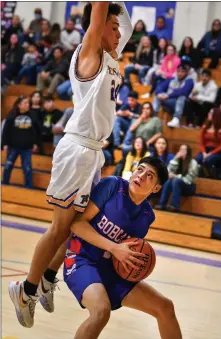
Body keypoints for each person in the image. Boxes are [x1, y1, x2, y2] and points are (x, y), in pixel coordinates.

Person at [9, 2, 133, 328]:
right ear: (97, 26)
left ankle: (49, 277)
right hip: (77, 148)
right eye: (113, 26)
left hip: (93, 152)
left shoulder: (111, 55)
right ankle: (25, 290)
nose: (120, 32)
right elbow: (101, 11)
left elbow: (122, 23)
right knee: (59, 228)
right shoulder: (90, 50)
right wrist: (101, 11)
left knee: (78, 225)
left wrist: (119, 19)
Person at [63, 157, 183, 339]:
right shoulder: (112, 185)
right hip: (81, 259)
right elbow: (77, 225)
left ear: (156, 188)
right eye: (140, 169)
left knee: (165, 307)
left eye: (149, 175)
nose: (141, 176)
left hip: (110, 270)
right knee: (101, 311)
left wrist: (134, 265)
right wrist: (114, 248)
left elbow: (127, 252)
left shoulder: (147, 216)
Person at [2, 96, 41, 188]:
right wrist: (4, 144)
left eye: (28, 103)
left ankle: (28, 186)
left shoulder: (32, 115)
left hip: (27, 148)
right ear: (19, 105)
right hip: (12, 146)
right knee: (8, 166)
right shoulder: (11, 115)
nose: (27, 105)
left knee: (27, 168)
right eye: (25, 103)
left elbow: (37, 131)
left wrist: (36, 143)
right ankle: (4, 183)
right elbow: (5, 131)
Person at [156, 145, 199, 212]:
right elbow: (168, 171)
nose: (181, 151)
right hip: (176, 185)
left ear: (188, 152)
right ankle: (162, 204)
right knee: (169, 180)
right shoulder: (177, 160)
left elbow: (189, 178)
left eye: (183, 150)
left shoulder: (193, 162)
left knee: (175, 180)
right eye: (180, 149)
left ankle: (175, 206)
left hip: (189, 187)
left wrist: (176, 176)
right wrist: (175, 158)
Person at [195, 108, 221, 178]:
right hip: (206, 150)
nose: (208, 114)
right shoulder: (205, 127)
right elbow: (201, 143)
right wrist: (204, 153)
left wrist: (210, 154)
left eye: (210, 113)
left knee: (208, 160)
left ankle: (211, 177)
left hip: (218, 152)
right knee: (197, 159)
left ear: (216, 115)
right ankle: (202, 177)